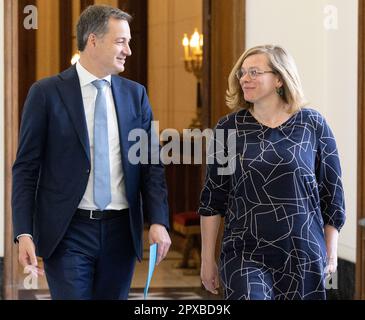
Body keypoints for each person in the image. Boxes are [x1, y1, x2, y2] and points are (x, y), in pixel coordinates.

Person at [12, 5, 171, 300]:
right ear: (93, 40)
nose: (129, 50)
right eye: (121, 41)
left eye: (129, 41)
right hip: (68, 231)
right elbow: (26, 168)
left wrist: (159, 221)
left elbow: (151, 165)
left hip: (121, 232)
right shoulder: (46, 93)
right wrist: (24, 232)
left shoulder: (136, 96)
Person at [198, 44, 345, 300]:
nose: (244, 78)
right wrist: (207, 258)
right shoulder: (228, 128)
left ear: (279, 78)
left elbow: (332, 195)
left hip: (303, 253)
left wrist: (330, 254)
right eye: (242, 72)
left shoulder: (313, 124)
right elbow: (213, 200)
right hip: (244, 252)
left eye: (254, 72)